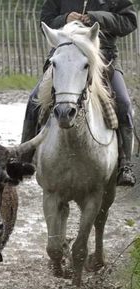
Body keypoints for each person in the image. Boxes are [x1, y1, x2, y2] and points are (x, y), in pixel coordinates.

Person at [21, 0, 138, 186]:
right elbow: (46, 20)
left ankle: (125, 164)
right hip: (65, 56)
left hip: (103, 58)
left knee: (123, 102)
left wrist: (98, 17)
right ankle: (23, 158)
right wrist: (65, 18)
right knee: (34, 100)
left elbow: (129, 22)